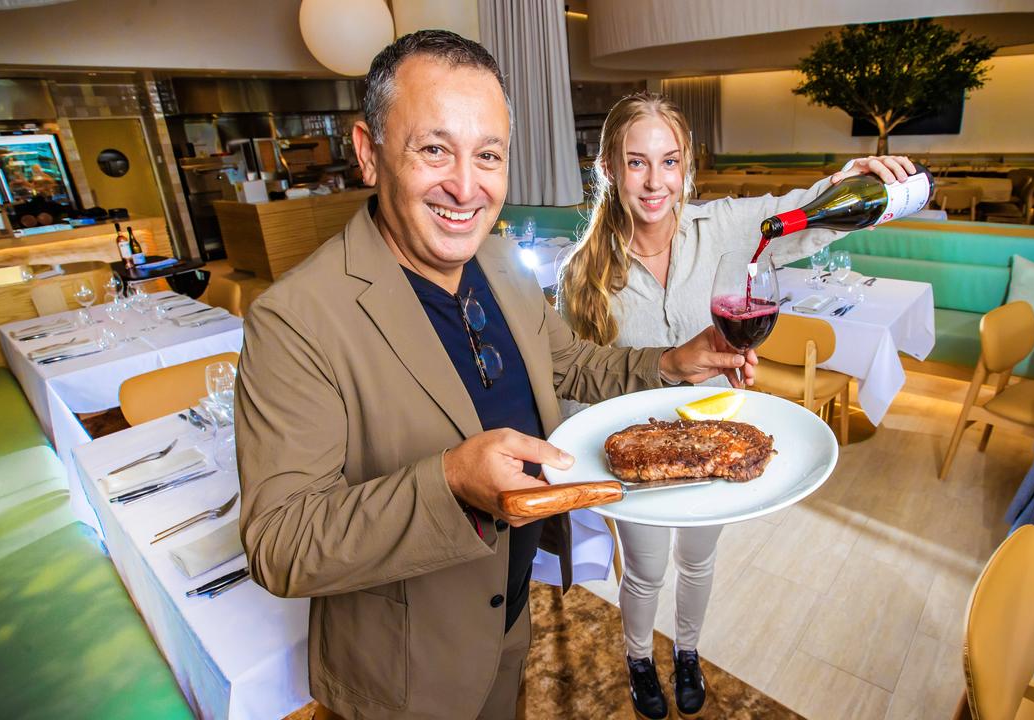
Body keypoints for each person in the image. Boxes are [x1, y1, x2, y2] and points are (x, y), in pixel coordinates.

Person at [234, 32, 753, 720]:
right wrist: (449, 481)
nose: (465, 185)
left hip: (509, 623)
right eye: (433, 149)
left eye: (487, 155)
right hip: (407, 672)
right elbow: (282, 544)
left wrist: (668, 362)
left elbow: (569, 363)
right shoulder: (295, 319)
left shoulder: (505, 263)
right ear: (368, 153)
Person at [556, 92, 917, 720]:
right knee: (644, 569)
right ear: (609, 169)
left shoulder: (723, 226)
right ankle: (640, 657)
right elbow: (574, 389)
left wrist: (851, 183)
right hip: (638, 458)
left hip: (716, 437)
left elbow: (804, 214)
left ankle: (688, 652)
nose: (655, 182)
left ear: (687, 165)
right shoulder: (581, 274)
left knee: (699, 559)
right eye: (636, 163)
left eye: (669, 162)